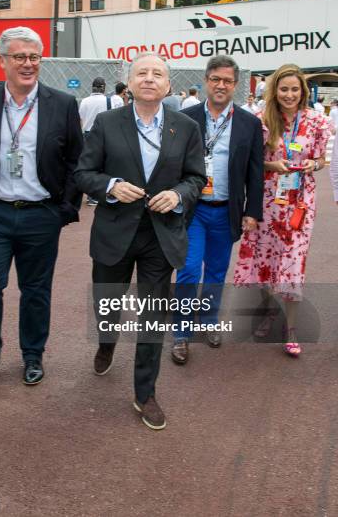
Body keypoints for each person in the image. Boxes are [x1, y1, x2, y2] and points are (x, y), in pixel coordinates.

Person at [75, 52, 205, 430]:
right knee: (107, 303)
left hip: (160, 235)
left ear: (168, 85)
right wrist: (112, 186)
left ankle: (144, 392)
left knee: (152, 315)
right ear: (129, 83)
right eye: (141, 73)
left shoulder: (185, 127)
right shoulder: (106, 123)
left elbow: (196, 178)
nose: (149, 78)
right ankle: (106, 340)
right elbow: (84, 173)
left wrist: (179, 195)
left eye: (157, 73)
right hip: (115, 230)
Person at [0, 26, 83, 390]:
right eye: (19, 57)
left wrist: (64, 209)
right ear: (2, 62)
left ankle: (32, 355)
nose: (28, 64)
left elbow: (77, 159)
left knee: (36, 290)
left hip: (40, 214)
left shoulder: (62, 103)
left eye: (34, 57)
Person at [171, 55, 264, 364]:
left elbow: (255, 171)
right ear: (206, 81)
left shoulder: (250, 123)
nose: (221, 85)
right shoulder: (187, 117)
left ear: (235, 85)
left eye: (227, 81)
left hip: (227, 211)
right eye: (216, 79)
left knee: (215, 272)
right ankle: (182, 333)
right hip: (194, 209)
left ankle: (209, 321)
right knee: (187, 270)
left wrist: (252, 210)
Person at [234, 64, 330, 357]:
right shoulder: (260, 121)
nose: (289, 95)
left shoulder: (317, 122)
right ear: (275, 90)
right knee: (264, 260)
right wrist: (271, 166)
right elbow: (251, 162)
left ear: (303, 91)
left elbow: (321, 159)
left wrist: (313, 164)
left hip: (300, 204)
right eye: (284, 89)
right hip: (267, 202)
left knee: (292, 263)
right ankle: (267, 310)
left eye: (294, 89)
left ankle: (291, 329)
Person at [79, 77, 109, 205]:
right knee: (104, 164)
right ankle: (102, 193)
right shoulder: (107, 101)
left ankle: (91, 196)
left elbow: (80, 119)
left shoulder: (85, 101)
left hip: (87, 134)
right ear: (104, 87)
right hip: (105, 134)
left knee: (89, 165)